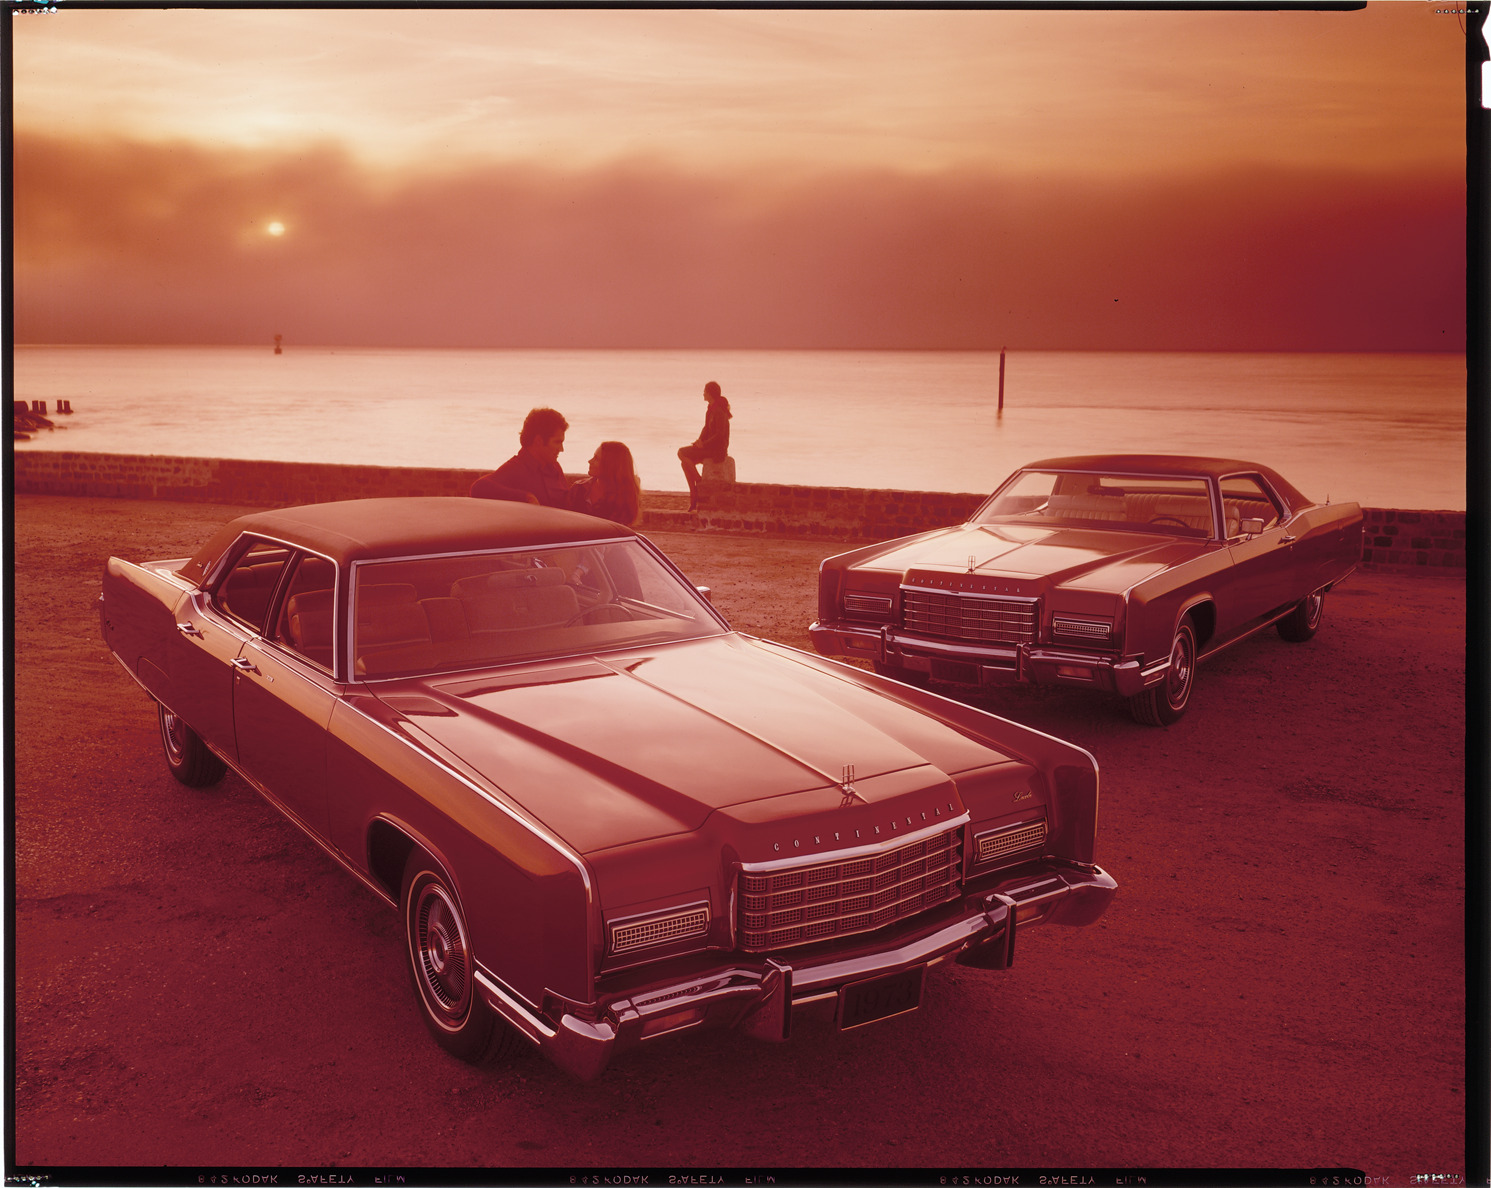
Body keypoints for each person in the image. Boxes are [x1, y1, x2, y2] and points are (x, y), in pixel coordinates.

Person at [470, 407, 573, 508]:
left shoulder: (555, 468)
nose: (561, 449)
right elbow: (478, 488)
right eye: (557, 442)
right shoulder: (517, 468)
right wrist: (525, 497)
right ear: (538, 441)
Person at [677, 381, 731, 512]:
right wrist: (699, 441)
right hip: (708, 447)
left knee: (681, 453)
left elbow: (719, 435)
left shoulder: (719, 411)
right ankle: (694, 495)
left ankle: (699, 482)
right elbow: (706, 428)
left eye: (705, 391)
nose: (703, 394)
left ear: (710, 393)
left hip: (717, 451)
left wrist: (703, 445)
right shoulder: (710, 409)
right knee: (685, 463)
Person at [572, 441, 643, 526]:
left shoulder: (624, 497)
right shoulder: (578, 489)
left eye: (596, 459)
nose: (589, 461)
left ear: (610, 465)